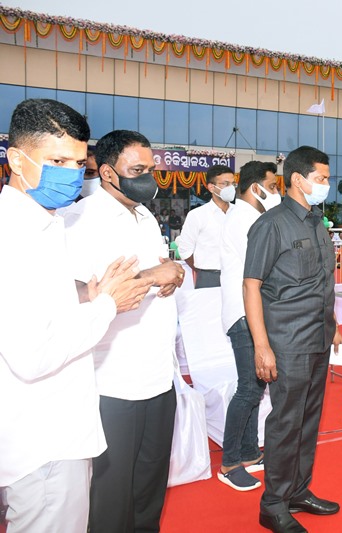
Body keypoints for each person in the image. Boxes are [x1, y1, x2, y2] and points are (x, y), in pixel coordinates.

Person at [0, 99, 151, 533]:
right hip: (42, 441)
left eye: (76, 162)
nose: (69, 172)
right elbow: (34, 354)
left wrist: (89, 293)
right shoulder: (15, 234)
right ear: (16, 158)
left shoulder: (44, 224)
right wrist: (108, 305)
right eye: (56, 160)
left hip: (57, 429)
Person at [62, 129, 186, 532]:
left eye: (151, 169)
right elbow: (84, 294)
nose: (148, 177)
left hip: (158, 376)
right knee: (112, 495)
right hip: (113, 382)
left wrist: (171, 275)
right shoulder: (81, 219)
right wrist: (154, 274)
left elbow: (158, 271)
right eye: (138, 169)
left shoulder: (146, 215)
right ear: (109, 173)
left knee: (150, 487)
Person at [243, 146, 342, 533]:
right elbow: (252, 286)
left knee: (308, 421)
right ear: (298, 180)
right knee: (286, 423)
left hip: (317, 337)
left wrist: (333, 324)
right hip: (287, 341)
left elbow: (320, 281)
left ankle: (298, 491)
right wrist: (262, 346)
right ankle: (273, 504)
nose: (326, 185)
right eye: (320, 179)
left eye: (327, 178)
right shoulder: (272, 225)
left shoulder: (317, 222)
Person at [218, 161, 281, 492]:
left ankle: (247, 453)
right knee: (248, 388)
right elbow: (258, 274)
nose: (276, 194)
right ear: (256, 188)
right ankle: (229, 463)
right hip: (244, 314)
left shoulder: (248, 217)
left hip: (247, 312)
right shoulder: (245, 220)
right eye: (272, 187)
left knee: (256, 386)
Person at [176, 164, 235, 288]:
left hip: (235, 275)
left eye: (233, 184)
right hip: (208, 277)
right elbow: (185, 250)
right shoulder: (197, 215)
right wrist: (201, 270)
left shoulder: (239, 213)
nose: (231, 188)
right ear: (211, 187)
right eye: (225, 184)